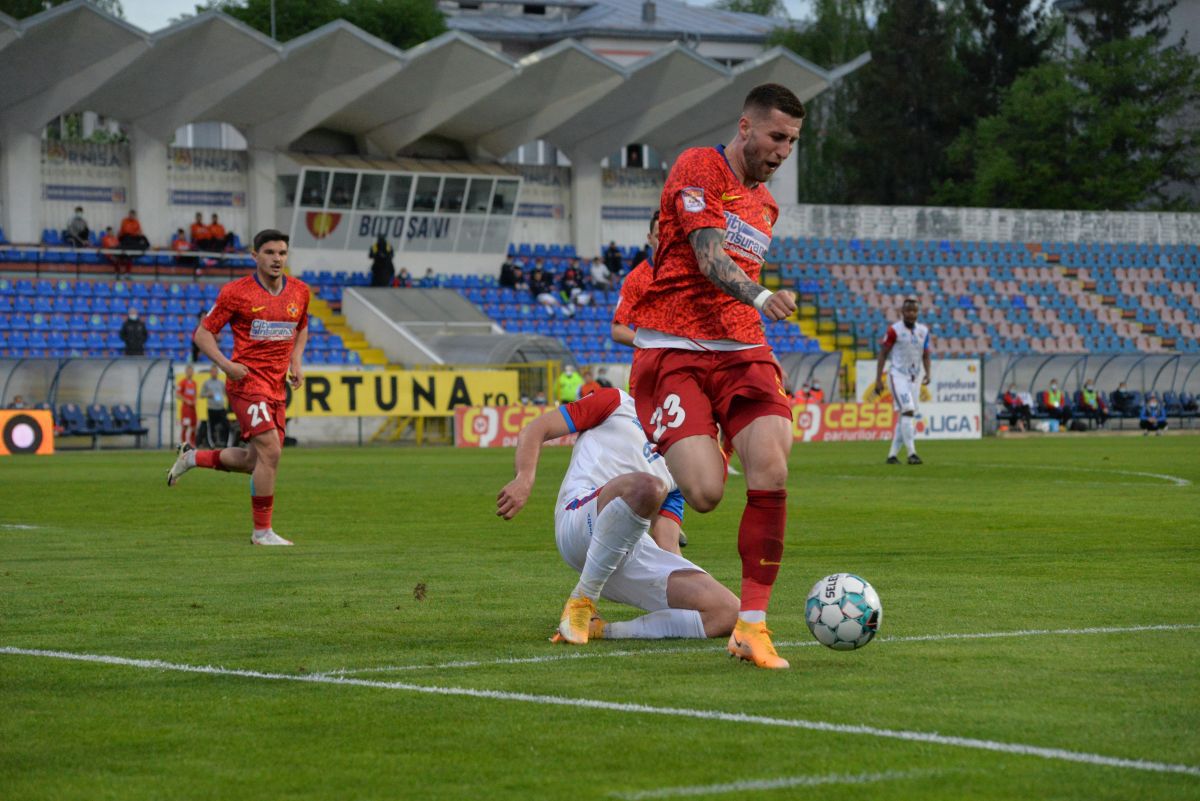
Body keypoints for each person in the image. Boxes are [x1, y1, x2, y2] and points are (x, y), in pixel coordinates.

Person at [626, 83, 804, 669]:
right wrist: (760, 294)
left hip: (740, 350)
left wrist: (758, 339)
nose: (783, 151)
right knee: (703, 493)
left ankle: (751, 625)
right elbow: (709, 257)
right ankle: (707, 433)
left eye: (793, 142)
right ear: (746, 127)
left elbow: (738, 276)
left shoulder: (767, 207)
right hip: (672, 348)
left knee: (774, 464)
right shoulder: (699, 165)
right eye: (777, 136)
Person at [496, 387, 738, 642]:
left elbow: (667, 544)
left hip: (626, 549)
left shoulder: (680, 461)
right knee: (648, 487)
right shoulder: (617, 401)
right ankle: (582, 599)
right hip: (580, 517)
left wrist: (687, 587)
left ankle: (602, 630)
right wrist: (523, 479)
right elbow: (535, 429)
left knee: (727, 612)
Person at [166, 229, 310, 547]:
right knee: (271, 452)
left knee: (253, 461)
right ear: (254, 255)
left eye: (282, 253)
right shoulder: (237, 292)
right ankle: (261, 533)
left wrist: (296, 362)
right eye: (270, 252)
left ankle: (191, 459)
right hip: (246, 383)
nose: (277, 259)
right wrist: (226, 366)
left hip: (276, 387)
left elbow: (302, 327)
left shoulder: (299, 291)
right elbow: (203, 334)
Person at [875, 297, 931, 465]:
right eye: (908, 310)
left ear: (917, 312)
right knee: (907, 409)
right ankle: (912, 453)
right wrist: (878, 379)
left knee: (906, 415)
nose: (911, 314)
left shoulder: (923, 331)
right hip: (897, 376)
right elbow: (883, 353)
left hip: (914, 378)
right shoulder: (894, 330)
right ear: (902, 312)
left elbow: (926, 354)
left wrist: (928, 373)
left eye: (914, 311)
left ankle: (892, 456)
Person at [611, 211, 659, 349]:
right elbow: (618, 330)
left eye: (669, 236)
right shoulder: (636, 278)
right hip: (650, 363)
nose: (664, 241)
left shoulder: (689, 273)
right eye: (659, 236)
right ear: (650, 238)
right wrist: (653, 346)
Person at [201, 365, 229, 447]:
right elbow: (201, 394)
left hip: (221, 408)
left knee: (226, 425)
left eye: (216, 371)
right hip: (211, 408)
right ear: (210, 372)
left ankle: (225, 443)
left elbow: (226, 393)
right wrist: (208, 394)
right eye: (213, 371)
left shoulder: (221, 383)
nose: (214, 373)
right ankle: (212, 444)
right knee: (211, 427)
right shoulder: (207, 383)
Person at [175, 364, 198, 447]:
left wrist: (195, 400)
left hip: (193, 408)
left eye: (191, 371)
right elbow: (177, 394)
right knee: (185, 426)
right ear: (186, 372)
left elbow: (195, 394)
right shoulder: (182, 382)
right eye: (189, 371)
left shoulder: (194, 383)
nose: (190, 373)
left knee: (194, 426)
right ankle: (184, 444)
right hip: (186, 408)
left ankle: (192, 443)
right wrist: (186, 400)